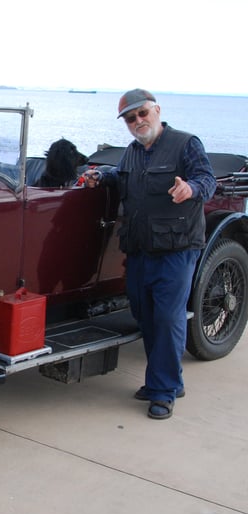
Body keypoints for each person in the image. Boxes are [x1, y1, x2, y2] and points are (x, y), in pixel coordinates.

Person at [84, 88, 217, 420]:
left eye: (142, 113)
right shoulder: (131, 152)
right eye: (130, 117)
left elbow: (207, 179)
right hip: (140, 247)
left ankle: (163, 390)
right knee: (143, 315)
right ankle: (170, 380)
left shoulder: (186, 143)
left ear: (156, 110)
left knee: (167, 317)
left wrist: (192, 188)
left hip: (176, 248)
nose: (137, 121)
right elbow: (123, 177)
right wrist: (100, 175)